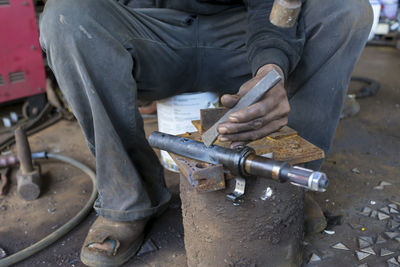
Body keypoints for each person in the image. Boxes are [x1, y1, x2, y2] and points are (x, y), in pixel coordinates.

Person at [39, 0, 372, 266]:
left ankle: (288, 186)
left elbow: (271, 11)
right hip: (149, 32)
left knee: (344, 10)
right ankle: (128, 201)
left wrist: (271, 68)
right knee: (66, 16)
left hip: (238, 34)